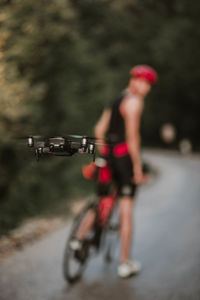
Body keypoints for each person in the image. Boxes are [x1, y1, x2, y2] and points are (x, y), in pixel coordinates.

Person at [70, 65, 158, 278]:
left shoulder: (119, 99)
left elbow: (99, 129)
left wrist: (105, 154)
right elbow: (132, 137)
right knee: (126, 212)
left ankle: (78, 239)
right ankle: (124, 263)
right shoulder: (135, 102)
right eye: (145, 83)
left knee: (103, 199)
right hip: (124, 161)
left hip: (108, 156)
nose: (147, 88)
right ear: (136, 81)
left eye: (149, 85)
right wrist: (137, 168)